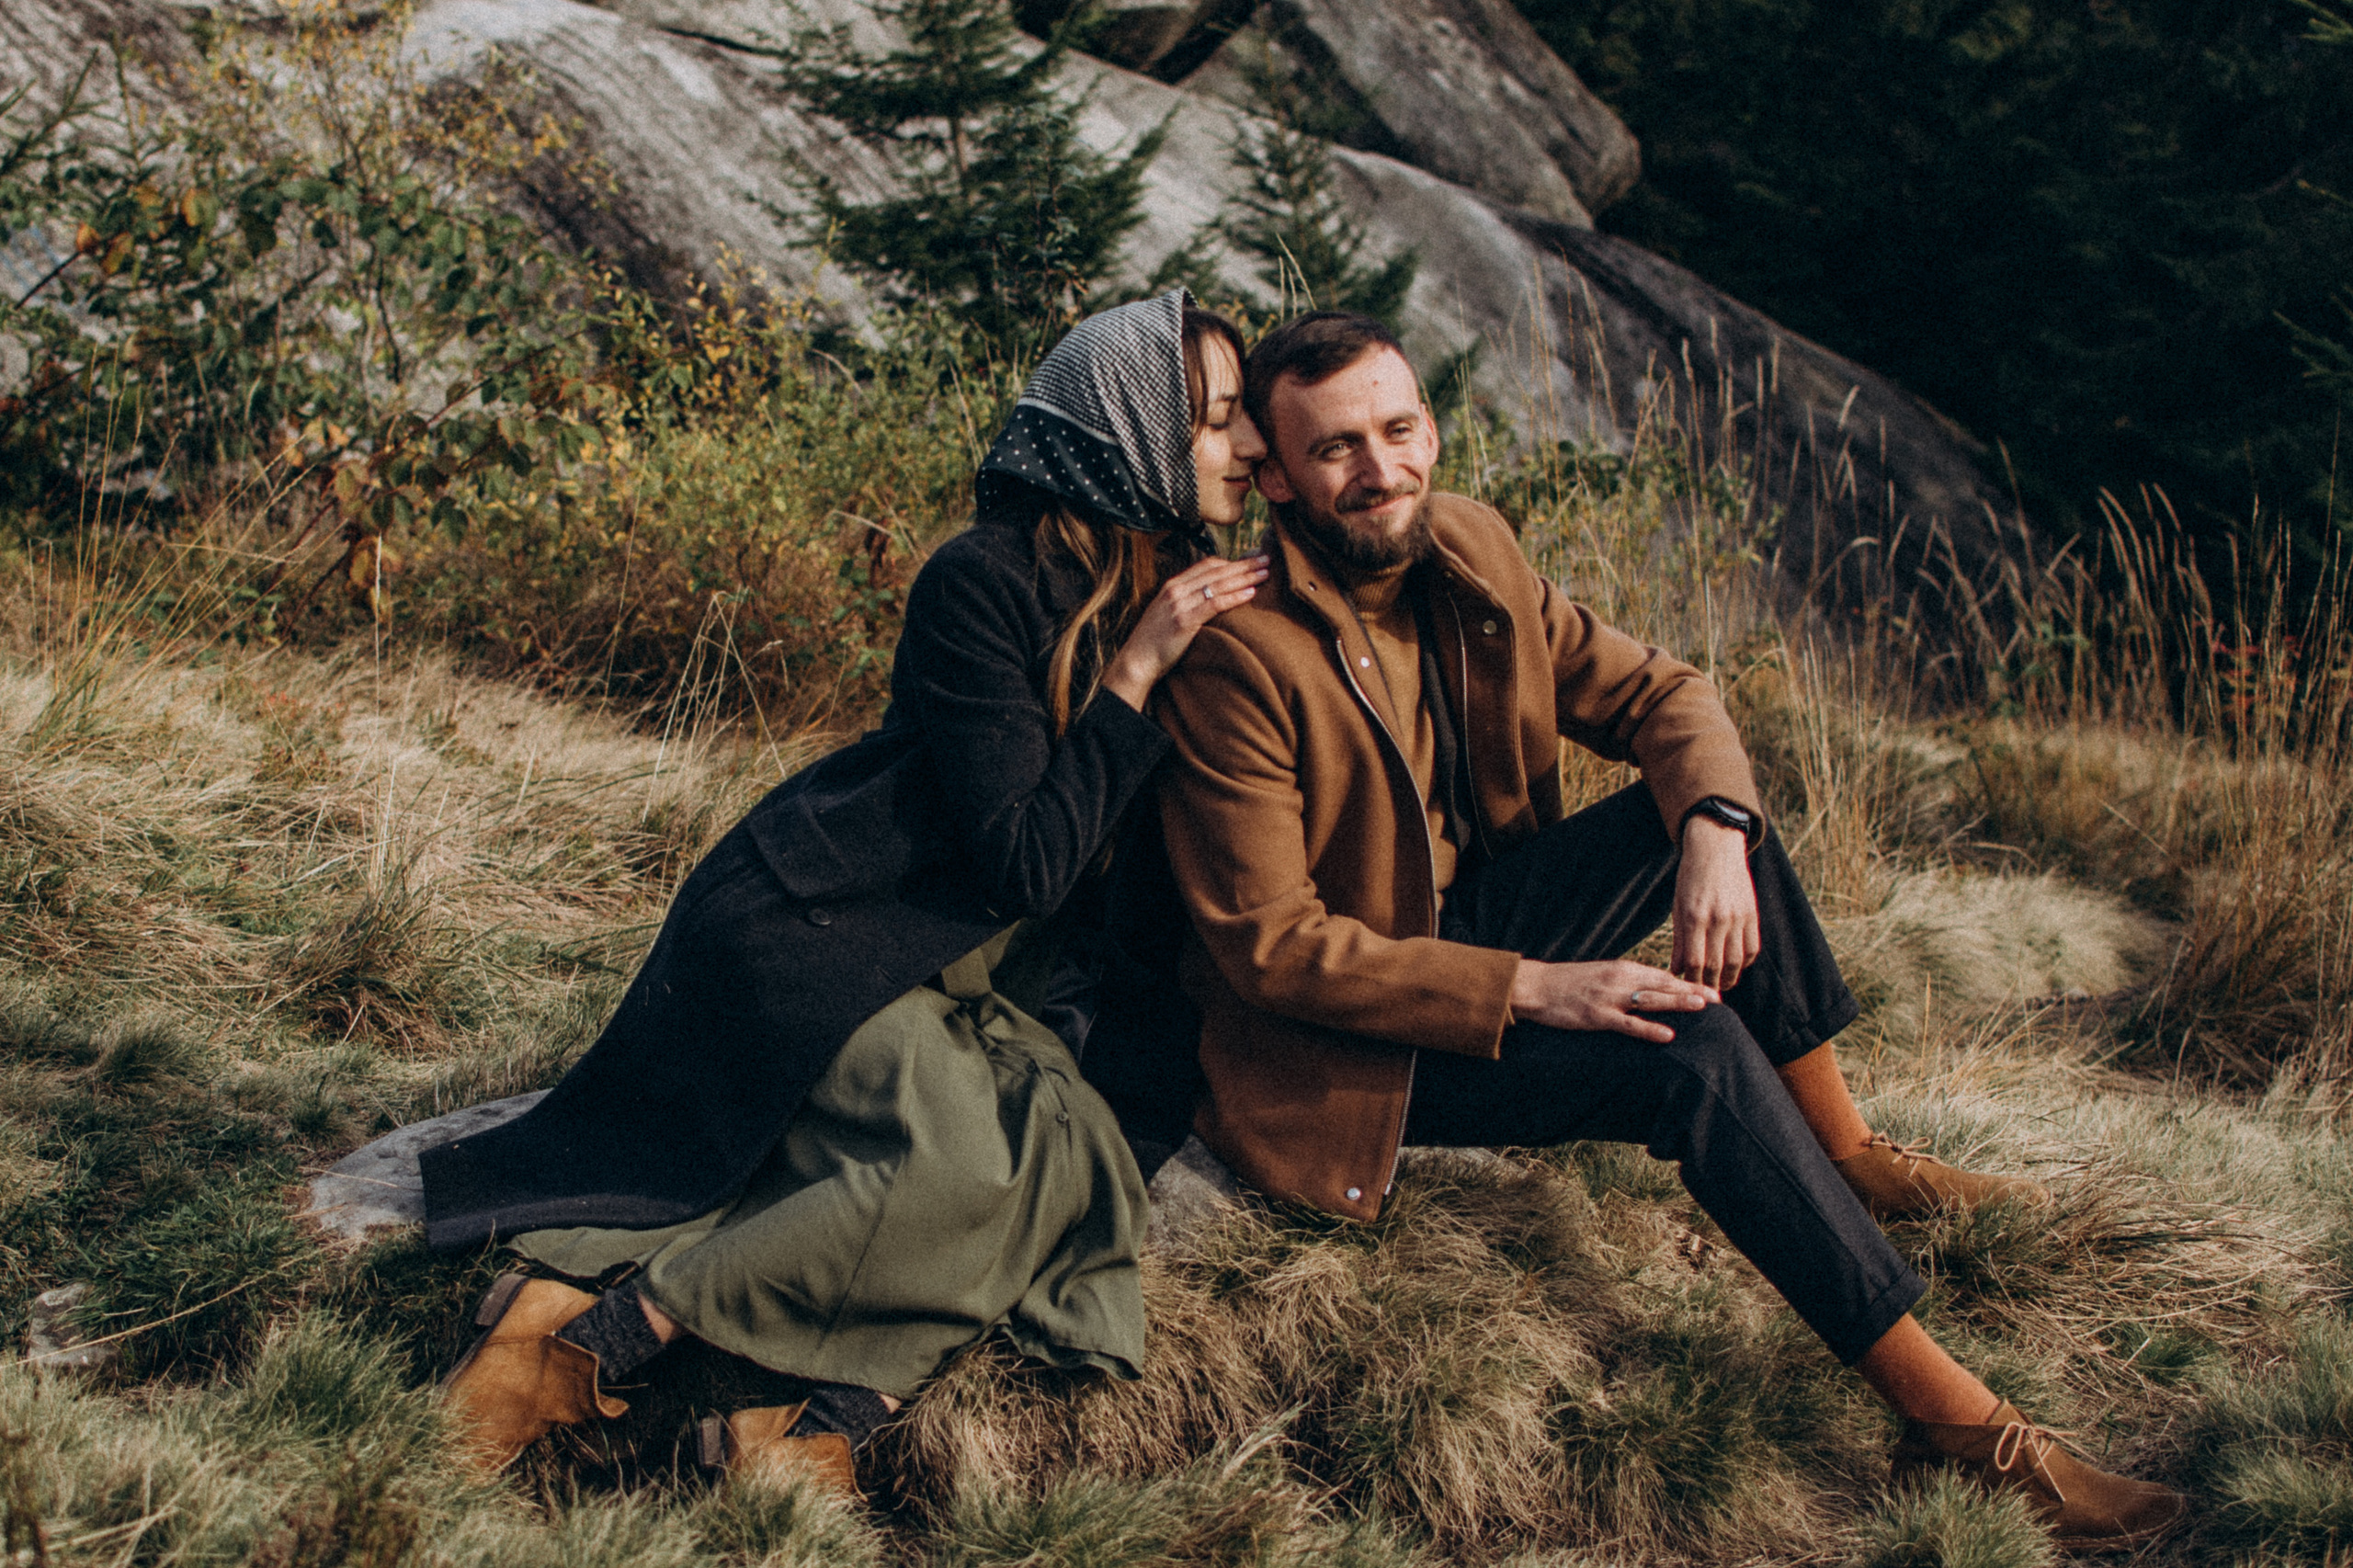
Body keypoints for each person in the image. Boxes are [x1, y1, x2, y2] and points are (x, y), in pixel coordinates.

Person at [1137, 311, 2187, 1551]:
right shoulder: (1239, 654)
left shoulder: (1469, 546)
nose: (1382, 469)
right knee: (1685, 1053)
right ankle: (1957, 1425)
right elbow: (1274, 950)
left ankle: (1845, 1153)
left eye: (1400, 428)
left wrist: (1712, 836)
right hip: (1345, 1046)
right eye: (1337, 449)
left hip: (1471, 923)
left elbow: (1664, 693)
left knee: (1711, 815)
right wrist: (1535, 988)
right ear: (1274, 477)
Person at [416, 290, 1269, 1490]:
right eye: (1217, 420)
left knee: (1069, 1152)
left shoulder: (1176, 590)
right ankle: (598, 1342)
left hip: (964, 978)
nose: (1250, 447)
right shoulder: (982, 581)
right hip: (825, 934)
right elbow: (1026, 862)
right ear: (1133, 427)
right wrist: (1132, 678)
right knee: (964, 1162)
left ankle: (804, 1424)